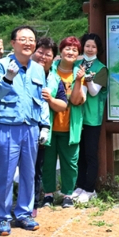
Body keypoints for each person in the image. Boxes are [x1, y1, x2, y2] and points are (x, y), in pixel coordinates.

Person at [0, 26, 51, 236]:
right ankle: (3, 217)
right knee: (5, 174)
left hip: (31, 128)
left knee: (28, 173)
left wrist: (45, 126)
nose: (28, 43)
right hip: (7, 127)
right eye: (23, 39)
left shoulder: (38, 68)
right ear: (13, 42)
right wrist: (8, 77)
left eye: (31, 40)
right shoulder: (0, 65)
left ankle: (24, 213)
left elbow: (42, 101)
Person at [41, 36, 86, 208]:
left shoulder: (79, 72)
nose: (71, 52)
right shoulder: (49, 70)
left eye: (75, 50)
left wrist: (79, 81)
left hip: (70, 125)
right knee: (48, 162)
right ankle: (48, 194)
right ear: (60, 51)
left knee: (70, 163)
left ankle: (68, 194)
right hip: (50, 125)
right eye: (68, 48)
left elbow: (76, 101)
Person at [30, 37, 68, 216]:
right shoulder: (23, 71)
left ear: (53, 58)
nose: (43, 57)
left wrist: (51, 99)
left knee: (37, 168)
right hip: (20, 127)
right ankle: (0, 209)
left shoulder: (54, 79)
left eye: (48, 54)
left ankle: (32, 206)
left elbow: (63, 104)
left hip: (42, 130)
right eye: (40, 52)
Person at [73, 33, 109, 203]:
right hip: (76, 115)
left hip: (92, 118)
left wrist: (86, 79)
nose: (89, 49)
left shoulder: (102, 68)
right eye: (87, 45)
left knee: (90, 154)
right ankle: (78, 186)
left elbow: (94, 91)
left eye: (93, 46)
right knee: (78, 153)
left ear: (98, 49)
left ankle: (90, 189)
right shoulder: (76, 64)